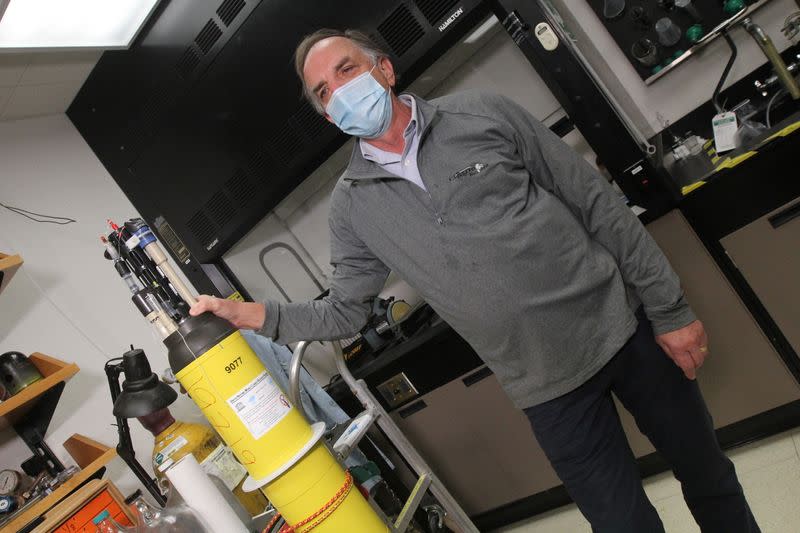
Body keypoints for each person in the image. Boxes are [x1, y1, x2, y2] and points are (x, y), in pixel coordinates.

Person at [191, 29, 759, 532]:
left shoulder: (483, 114)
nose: (338, 91)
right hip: (546, 390)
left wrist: (672, 310)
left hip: (624, 330)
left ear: (384, 70)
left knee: (708, 475)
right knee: (621, 523)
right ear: (326, 115)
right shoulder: (351, 206)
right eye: (323, 92)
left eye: (346, 70)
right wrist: (248, 315)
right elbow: (346, 312)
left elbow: (597, 207)